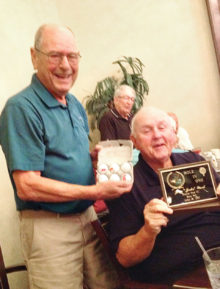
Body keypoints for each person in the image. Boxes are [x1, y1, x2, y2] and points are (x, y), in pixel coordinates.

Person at [0, 24, 132, 289]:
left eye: (72, 56)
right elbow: (27, 186)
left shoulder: (73, 104)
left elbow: (66, 158)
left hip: (87, 218)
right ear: (34, 56)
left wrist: (93, 160)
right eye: (55, 55)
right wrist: (94, 190)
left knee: (108, 285)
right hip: (50, 227)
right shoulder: (21, 109)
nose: (65, 65)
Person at [107, 106, 220, 284]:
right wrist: (148, 230)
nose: (157, 135)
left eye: (162, 128)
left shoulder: (194, 161)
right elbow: (124, 258)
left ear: (174, 136)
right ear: (134, 141)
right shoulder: (126, 186)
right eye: (147, 130)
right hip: (182, 273)